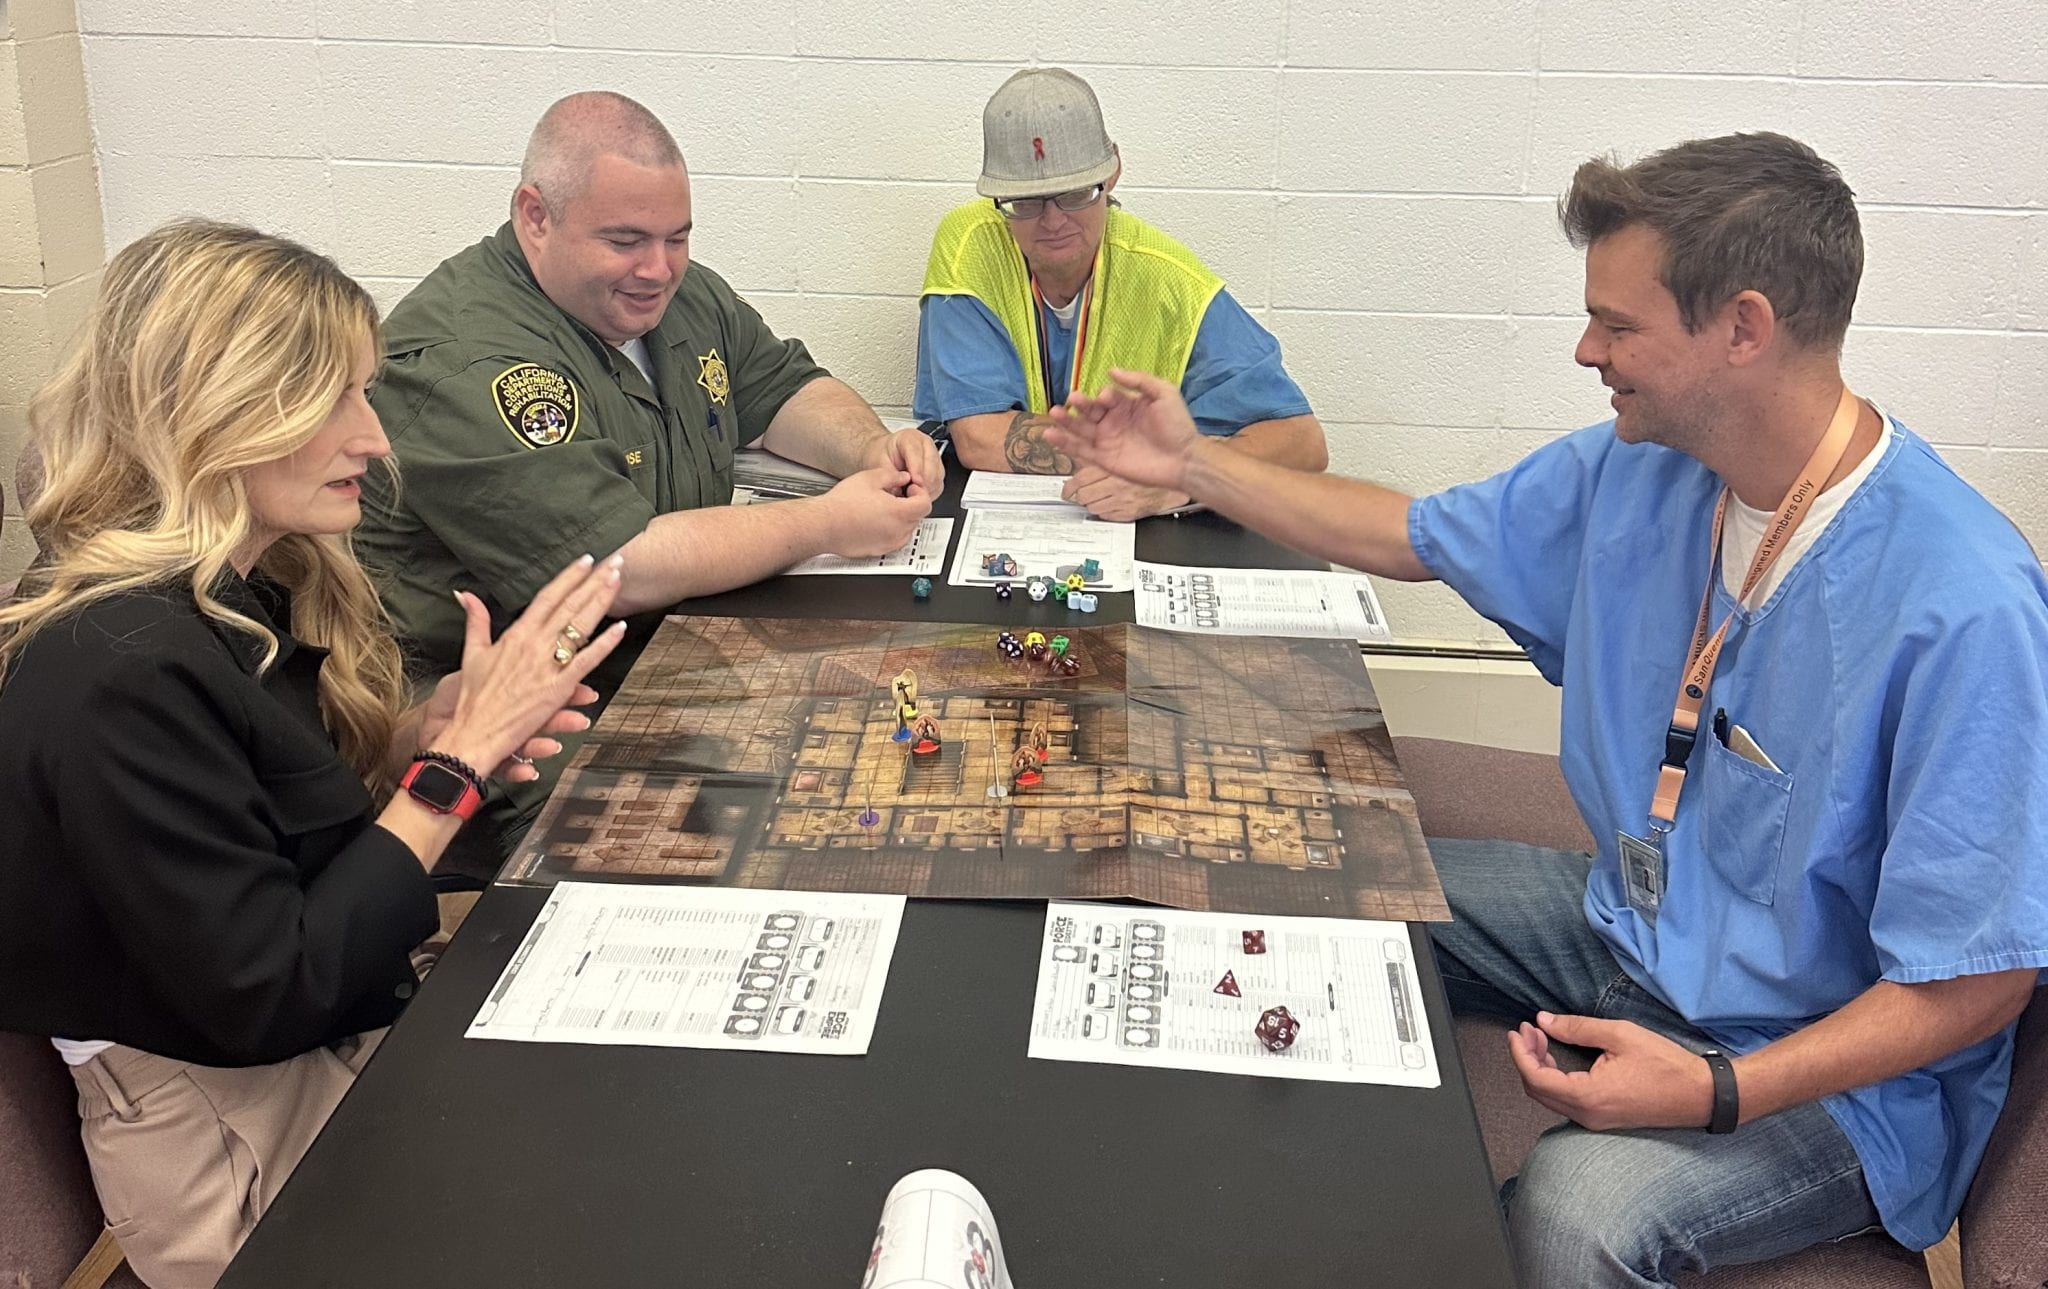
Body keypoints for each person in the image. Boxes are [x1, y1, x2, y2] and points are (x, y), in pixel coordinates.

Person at [1046, 133, 2048, 1286]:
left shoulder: (1963, 603)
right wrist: (1193, 466)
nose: (1587, 351)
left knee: (1573, 1210)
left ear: (1743, 326)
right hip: (1634, 931)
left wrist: (1714, 1087)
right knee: (1305, 858)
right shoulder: (1643, 465)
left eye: (1617, 326)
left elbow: (1976, 982)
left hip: (1823, 1071)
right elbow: (1410, 536)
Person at [0, 220, 627, 1288]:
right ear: (221, 410)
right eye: (335, 398)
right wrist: (454, 769)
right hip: (228, 1142)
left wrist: (418, 738)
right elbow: (273, 986)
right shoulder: (111, 666)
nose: (374, 438)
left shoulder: (220, 594)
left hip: (314, 1038)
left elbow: (254, 795)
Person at [355, 90, 942, 858]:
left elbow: (780, 387)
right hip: (505, 707)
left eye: (678, 237)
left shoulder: (671, 291)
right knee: (742, 839)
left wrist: (872, 448)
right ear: (535, 215)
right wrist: (829, 520)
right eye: (627, 240)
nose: (657, 269)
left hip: (665, 645)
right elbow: (620, 566)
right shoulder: (467, 363)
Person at [914, 67, 1326, 521]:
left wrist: (1179, 479)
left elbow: (1303, 442)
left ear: (1112, 172)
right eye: (1025, 202)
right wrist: (1169, 459)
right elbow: (979, 438)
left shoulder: (1170, 279)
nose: (1053, 221)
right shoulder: (970, 245)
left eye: (1075, 193)